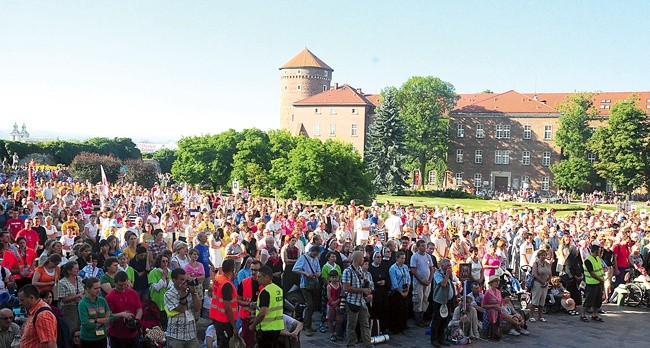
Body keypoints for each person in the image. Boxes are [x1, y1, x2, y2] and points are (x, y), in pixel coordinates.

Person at [78, 277, 131, 347]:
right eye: (95, 288)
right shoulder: (83, 303)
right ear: (87, 289)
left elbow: (111, 318)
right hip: (88, 339)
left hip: (102, 337)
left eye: (99, 288)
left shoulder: (102, 300)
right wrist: (104, 320)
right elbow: (86, 325)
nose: (98, 290)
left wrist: (95, 320)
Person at [341, 250, 373, 348]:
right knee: (352, 325)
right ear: (358, 259)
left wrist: (367, 292)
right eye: (362, 258)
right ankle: (351, 344)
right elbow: (346, 288)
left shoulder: (360, 270)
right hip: (352, 302)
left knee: (365, 324)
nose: (363, 259)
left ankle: (368, 344)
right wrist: (362, 290)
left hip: (361, 302)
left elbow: (363, 284)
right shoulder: (348, 271)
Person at [164, 268, 201, 347]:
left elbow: (197, 308)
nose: (184, 282)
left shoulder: (189, 291)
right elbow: (181, 309)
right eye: (181, 279)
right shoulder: (169, 294)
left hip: (191, 334)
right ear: (174, 280)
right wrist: (183, 293)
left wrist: (193, 293)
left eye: (185, 279)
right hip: (176, 336)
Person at [106, 271, 143, 348]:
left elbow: (139, 309)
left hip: (132, 333)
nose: (123, 287)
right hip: (117, 334)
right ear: (115, 283)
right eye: (120, 285)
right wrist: (122, 314)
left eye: (125, 285)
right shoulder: (110, 297)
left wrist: (136, 320)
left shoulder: (133, 293)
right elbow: (108, 316)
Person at [249, 266, 284, 348]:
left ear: (267, 278)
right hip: (277, 327)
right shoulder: (278, 289)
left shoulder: (265, 292)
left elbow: (263, 313)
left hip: (266, 329)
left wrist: (253, 325)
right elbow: (273, 307)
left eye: (259, 277)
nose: (257, 279)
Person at [292, 245, 321, 336]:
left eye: (316, 255)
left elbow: (319, 270)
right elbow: (295, 269)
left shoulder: (316, 259)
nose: (315, 256)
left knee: (313, 305)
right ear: (311, 251)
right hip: (305, 285)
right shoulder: (303, 258)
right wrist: (305, 273)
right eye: (314, 254)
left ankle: (307, 323)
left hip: (313, 284)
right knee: (310, 304)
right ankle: (307, 326)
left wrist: (318, 273)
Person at [210, 259, 239, 348]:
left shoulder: (219, 278)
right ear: (232, 270)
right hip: (225, 321)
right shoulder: (227, 284)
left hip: (216, 317)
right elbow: (228, 308)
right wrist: (234, 327)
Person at [237, 260, 263, 348]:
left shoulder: (266, 284)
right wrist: (249, 304)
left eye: (256, 270)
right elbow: (238, 300)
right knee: (247, 344)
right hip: (247, 319)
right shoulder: (244, 283)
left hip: (263, 319)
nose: (253, 272)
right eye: (252, 270)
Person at [431, 258, 455, 347]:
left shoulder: (449, 273)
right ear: (442, 266)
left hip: (448, 300)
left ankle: (441, 338)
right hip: (439, 300)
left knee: (445, 320)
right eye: (447, 266)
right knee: (437, 320)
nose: (449, 267)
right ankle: (434, 339)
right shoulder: (438, 273)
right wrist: (447, 275)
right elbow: (443, 284)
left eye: (450, 265)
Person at [410, 239, 434, 327]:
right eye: (422, 246)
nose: (424, 247)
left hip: (427, 282)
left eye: (425, 245)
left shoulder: (428, 256)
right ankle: (417, 319)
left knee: (425, 299)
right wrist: (422, 280)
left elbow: (431, 268)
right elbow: (413, 271)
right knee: (418, 299)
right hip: (418, 282)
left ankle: (422, 318)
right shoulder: (414, 257)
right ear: (418, 247)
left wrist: (430, 279)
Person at [148, 254, 172, 330]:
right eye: (163, 261)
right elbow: (156, 287)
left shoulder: (170, 272)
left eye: (166, 261)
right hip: (156, 301)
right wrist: (164, 276)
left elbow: (170, 286)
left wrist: (167, 278)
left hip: (167, 302)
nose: (165, 263)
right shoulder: (153, 272)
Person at [388, 250, 410, 334]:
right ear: (397, 258)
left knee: (404, 309)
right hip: (397, 292)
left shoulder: (405, 267)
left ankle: (403, 326)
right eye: (401, 258)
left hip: (405, 290)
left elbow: (408, 278)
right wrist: (401, 292)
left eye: (404, 258)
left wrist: (407, 289)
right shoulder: (393, 268)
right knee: (397, 311)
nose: (403, 260)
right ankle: (396, 328)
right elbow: (394, 283)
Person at [58, 260, 84, 332]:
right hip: (68, 309)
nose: (77, 270)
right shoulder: (62, 283)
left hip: (80, 307)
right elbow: (63, 299)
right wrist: (77, 296)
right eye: (75, 269)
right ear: (69, 271)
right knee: (71, 329)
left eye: (78, 268)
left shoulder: (79, 279)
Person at [583, 244, 605, 323]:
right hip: (591, 283)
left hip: (598, 283)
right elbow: (592, 273)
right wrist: (601, 279)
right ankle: (583, 315)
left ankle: (594, 314)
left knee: (598, 300)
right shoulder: (588, 260)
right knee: (589, 300)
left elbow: (600, 268)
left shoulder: (598, 258)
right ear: (596, 252)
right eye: (599, 251)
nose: (600, 253)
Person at [529, 246, 551, 323]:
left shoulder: (547, 264)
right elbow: (535, 274)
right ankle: (531, 315)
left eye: (544, 255)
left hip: (545, 284)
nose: (543, 256)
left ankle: (540, 316)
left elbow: (550, 274)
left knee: (542, 301)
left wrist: (547, 282)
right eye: (542, 255)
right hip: (537, 283)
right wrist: (542, 282)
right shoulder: (536, 264)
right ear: (539, 256)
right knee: (535, 300)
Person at [480, 275, 502, 341]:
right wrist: (493, 306)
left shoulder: (498, 292)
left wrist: (499, 307)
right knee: (488, 328)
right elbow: (483, 305)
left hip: (497, 312)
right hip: (489, 312)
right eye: (496, 281)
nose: (497, 283)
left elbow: (500, 302)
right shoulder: (488, 292)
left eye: (498, 281)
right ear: (491, 283)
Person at [326, 270, 343, 341]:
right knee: (330, 319)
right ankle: (331, 334)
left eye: (335, 277)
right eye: (332, 277)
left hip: (338, 304)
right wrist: (333, 302)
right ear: (330, 278)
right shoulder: (329, 286)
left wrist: (338, 301)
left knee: (339, 320)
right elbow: (329, 296)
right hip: (331, 305)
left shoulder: (340, 285)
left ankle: (337, 333)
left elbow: (341, 294)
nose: (334, 279)